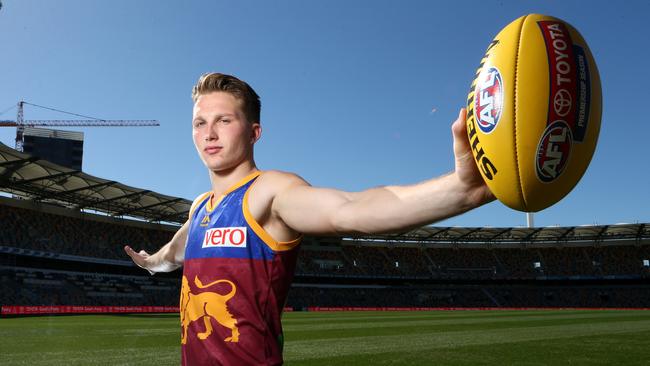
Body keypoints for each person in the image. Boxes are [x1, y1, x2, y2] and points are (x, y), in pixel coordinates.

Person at [124, 72, 494, 365]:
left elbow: (350, 208)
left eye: (224, 120)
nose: (209, 133)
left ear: (254, 132)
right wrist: (152, 263)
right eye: (199, 123)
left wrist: (458, 190)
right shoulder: (201, 207)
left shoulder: (269, 193)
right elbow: (179, 248)